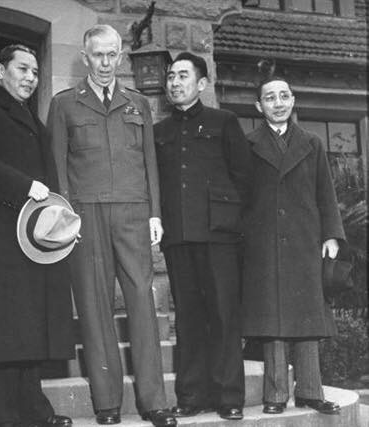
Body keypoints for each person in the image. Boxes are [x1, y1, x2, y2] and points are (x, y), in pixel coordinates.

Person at [48, 25, 176, 427]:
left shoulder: (137, 103)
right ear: (85, 58)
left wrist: (155, 213)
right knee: (94, 307)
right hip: (85, 215)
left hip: (134, 215)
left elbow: (150, 163)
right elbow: (57, 165)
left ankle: (154, 402)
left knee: (143, 305)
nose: (105, 63)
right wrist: (66, 215)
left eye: (112, 55)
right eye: (98, 55)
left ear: (121, 57)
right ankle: (107, 404)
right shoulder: (65, 104)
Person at [0, 44, 75, 427]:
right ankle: (0, 417)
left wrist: (63, 224)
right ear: (0, 71)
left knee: (26, 329)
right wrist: (23, 186)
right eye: (22, 69)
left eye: (35, 73)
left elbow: (48, 183)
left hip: (26, 239)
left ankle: (33, 411)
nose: (30, 78)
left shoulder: (33, 120)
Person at [154, 52, 251, 421]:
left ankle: (229, 396)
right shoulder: (159, 131)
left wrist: (229, 223)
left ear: (201, 84)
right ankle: (192, 395)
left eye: (182, 76)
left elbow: (243, 178)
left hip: (219, 237)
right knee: (189, 318)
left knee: (225, 316)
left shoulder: (223, 121)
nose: (174, 83)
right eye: (170, 77)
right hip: (178, 236)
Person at [242, 75, 345, 415]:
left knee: (307, 319)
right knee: (272, 320)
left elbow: (325, 193)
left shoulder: (312, 143)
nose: (278, 102)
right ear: (259, 106)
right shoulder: (249, 144)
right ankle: (275, 395)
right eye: (270, 98)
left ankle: (311, 392)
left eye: (284, 95)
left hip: (305, 242)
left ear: (293, 99)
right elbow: (242, 199)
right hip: (264, 244)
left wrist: (331, 235)